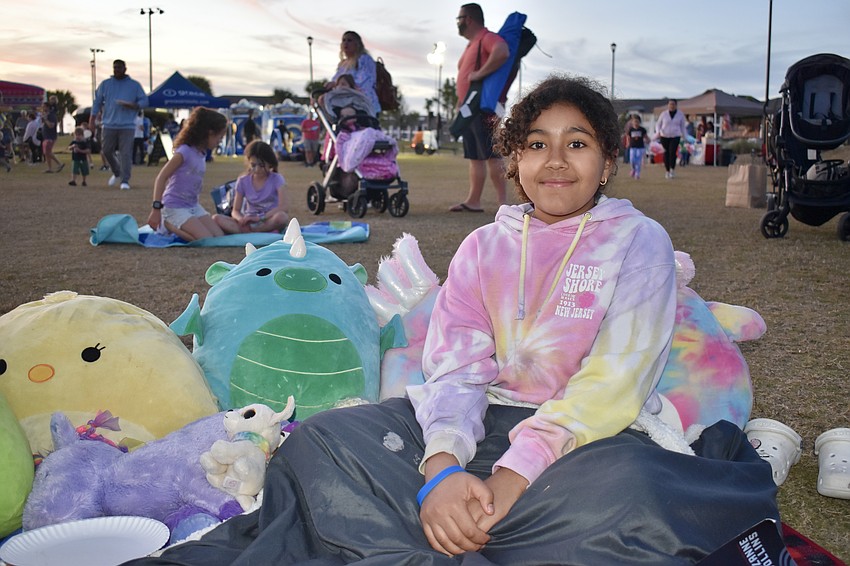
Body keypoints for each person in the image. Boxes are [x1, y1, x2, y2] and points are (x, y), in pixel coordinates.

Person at [126, 75, 780, 566]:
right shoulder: (486, 249)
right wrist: (441, 470)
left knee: (632, 504)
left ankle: (416, 537)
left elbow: (609, 387)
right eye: (536, 145)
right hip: (476, 425)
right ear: (515, 163)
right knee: (320, 444)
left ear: (607, 161)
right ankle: (441, 530)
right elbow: (457, 369)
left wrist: (506, 480)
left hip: (589, 445)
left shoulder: (639, 245)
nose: (555, 161)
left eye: (576, 144)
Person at [450, 3, 509, 212]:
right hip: (468, 109)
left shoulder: (486, 37)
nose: (457, 23)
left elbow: (502, 51)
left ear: (468, 19)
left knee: (492, 154)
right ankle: (473, 201)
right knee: (475, 156)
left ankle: (503, 203)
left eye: (458, 18)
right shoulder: (471, 44)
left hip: (482, 108)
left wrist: (480, 73)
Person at [147, 107, 227, 242]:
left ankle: (178, 224)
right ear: (209, 133)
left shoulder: (201, 153)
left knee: (219, 237)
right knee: (206, 240)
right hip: (174, 206)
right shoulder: (184, 152)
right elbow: (161, 177)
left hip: (192, 206)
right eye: (220, 137)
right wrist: (156, 209)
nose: (220, 141)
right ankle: (169, 225)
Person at [89, 59, 148, 190]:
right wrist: (91, 121)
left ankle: (125, 181)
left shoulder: (134, 85)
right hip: (109, 124)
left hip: (127, 125)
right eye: (115, 67)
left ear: (125, 69)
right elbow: (97, 103)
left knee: (125, 153)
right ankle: (117, 172)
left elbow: (145, 100)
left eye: (119, 68)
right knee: (106, 150)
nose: (117, 70)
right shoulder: (105, 84)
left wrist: (134, 105)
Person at [213, 140, 289, 234]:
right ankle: (252, 230)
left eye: (261, 165)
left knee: (282, 217)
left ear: (270, 164)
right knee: (216, 218)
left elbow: (283, 206)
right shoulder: (243, 181)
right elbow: (235, 210)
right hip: (248, 221)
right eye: (253, 165)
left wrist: (260, 218)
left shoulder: (277, 179)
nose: (257, 170)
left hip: (267, 219)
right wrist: (241, 220)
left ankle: (254, 231)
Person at [332, 31, 381, 116]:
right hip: (345, 101)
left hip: (363, 103)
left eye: (349, 40)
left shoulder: (364, 59)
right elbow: (336, 81)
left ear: (357, 44)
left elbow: (364, 81)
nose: (346, 43)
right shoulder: (343, 64)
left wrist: (345, 85)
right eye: (344, 40)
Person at [655, 99, 688, 179]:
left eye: (673, 104)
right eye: (670, 104)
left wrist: (685, 136)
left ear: (676, 105)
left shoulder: (680, 114)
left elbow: (683, 126)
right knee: (666, 153)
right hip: (664, 136)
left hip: (675, 135)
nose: (671, 106)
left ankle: (672, 170)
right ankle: (667, 171)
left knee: (672, 152)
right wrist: (658, 132)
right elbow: (658, 124)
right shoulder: (664, 114)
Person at [40, 101, 63, 174]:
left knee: (48, 152)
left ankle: (59, 164)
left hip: (50, 136)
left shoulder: (51, 115)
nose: (42, 108)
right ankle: (50, 168)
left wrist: (45, 119)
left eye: (44, 106)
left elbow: (51, 125)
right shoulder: (46, 115)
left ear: (47, 107)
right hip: (46, 136)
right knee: (46, 153)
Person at [626, 114, 649, 179]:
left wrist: (648, 140)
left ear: (639, 122)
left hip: (640, 147)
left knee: (638, 161)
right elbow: (628, 136)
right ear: (632, 122)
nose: (636, 123)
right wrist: (627, 143)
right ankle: (633, 169)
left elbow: (645, 136)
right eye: (634, 121)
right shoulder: (630, 129)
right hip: (632, 147)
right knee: (632, 160)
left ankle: (637, 174)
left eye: (637, 122)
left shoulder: (642, 129)